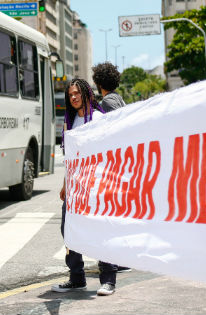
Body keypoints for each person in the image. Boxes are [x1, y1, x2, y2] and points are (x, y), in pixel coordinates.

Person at [52, 78, 119, 296]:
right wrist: (64, 184)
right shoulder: (70, 122)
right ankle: (77, 278)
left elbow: (109, 154)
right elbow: (70, 158)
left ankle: (108, 279)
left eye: (77, 93)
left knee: (100, 230)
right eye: (70, 95)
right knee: (68, 230)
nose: (73, 98)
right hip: (75, 188)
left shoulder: (98, 119)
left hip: (95, 186)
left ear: (86, 93)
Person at [91, 62, 131, 275]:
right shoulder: (118, 99)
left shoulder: (107, 103)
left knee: (108, 215)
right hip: (120, 166)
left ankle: (116, 260)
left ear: (98, 83)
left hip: (113, 167)